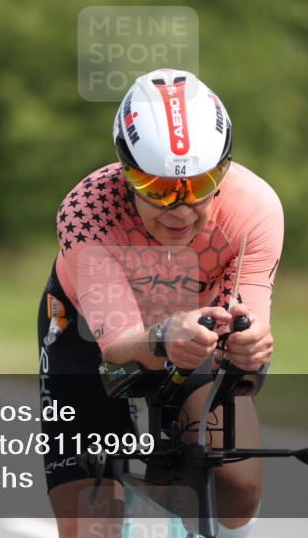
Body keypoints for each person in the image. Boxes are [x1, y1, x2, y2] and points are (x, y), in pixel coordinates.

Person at [37, 68, 283, 538]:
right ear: (126, 172)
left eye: (201, 184)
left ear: (225, 170)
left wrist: (250, 346)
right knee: (88, 521)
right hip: (89, 331)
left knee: (237, 491)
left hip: (198, 333)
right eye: (158, 189)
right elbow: (116, 345)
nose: (181, 209)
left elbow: (249, 328)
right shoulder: (87, 210)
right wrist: (165, 335)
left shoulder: (255, 208)